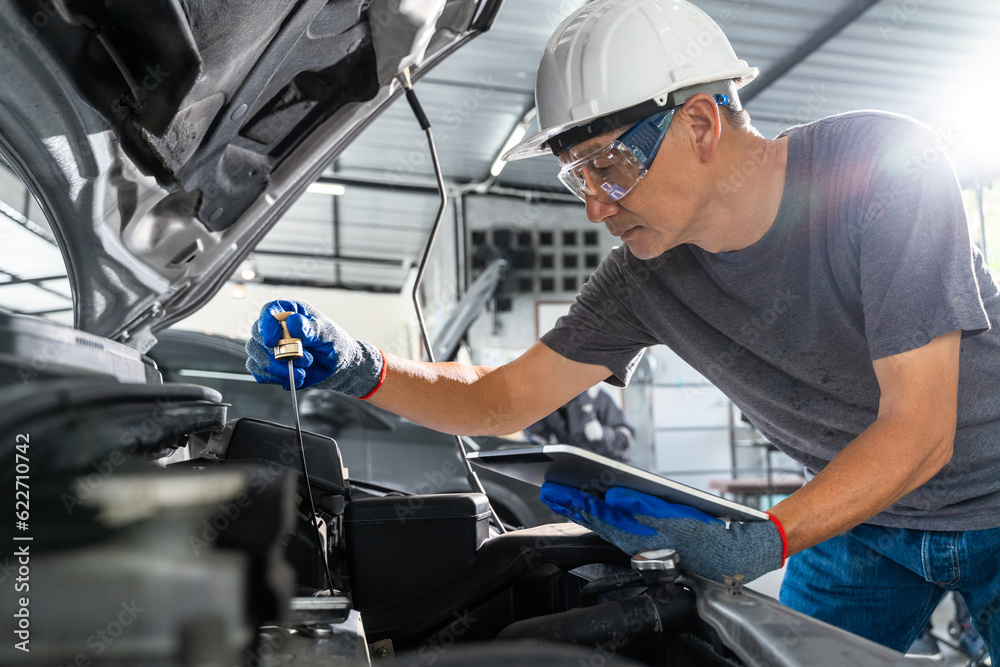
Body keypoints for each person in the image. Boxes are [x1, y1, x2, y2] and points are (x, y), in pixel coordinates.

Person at [245, 0, 1000, 660]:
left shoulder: (883, 172)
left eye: (608, 164)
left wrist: (761, 540)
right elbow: (502, 399)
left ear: (700, 122)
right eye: (579, 177)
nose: (596, 207)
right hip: (865, 521)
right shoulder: (647, 274)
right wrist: (357, 363)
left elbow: (923, 427)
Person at [524, 386, 634, 462]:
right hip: (576, 470)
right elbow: (537, 434)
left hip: (608, 471)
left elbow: (627, 438)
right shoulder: (548, 406)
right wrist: (533, 441)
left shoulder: (596, 397)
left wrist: (603, 434)